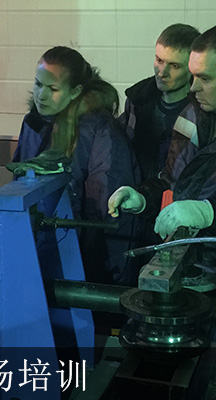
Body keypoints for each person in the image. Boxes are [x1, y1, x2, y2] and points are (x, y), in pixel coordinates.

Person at [13, 46, 139, 285]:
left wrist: (93, 265)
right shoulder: (33, 122)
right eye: (38, 84)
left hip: (86, 255)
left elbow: (104, 206)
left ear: (76, 91)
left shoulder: (98, 130)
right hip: (39, 245)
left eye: (53, 89)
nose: (41, 96)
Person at [108, 26, 216, 261]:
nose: (194, 87)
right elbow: (172, 180)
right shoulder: (194, 116)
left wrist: (209, 212)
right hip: (193, 258)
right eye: (194, 75)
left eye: (205, 78)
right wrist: (142, 198)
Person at [120, 23, 200, 181]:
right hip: (135, 192)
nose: (162, 72)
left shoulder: (201, 112)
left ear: (192, 68)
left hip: (176, 194)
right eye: (159, 60)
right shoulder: (137, 100)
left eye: (174, 66)